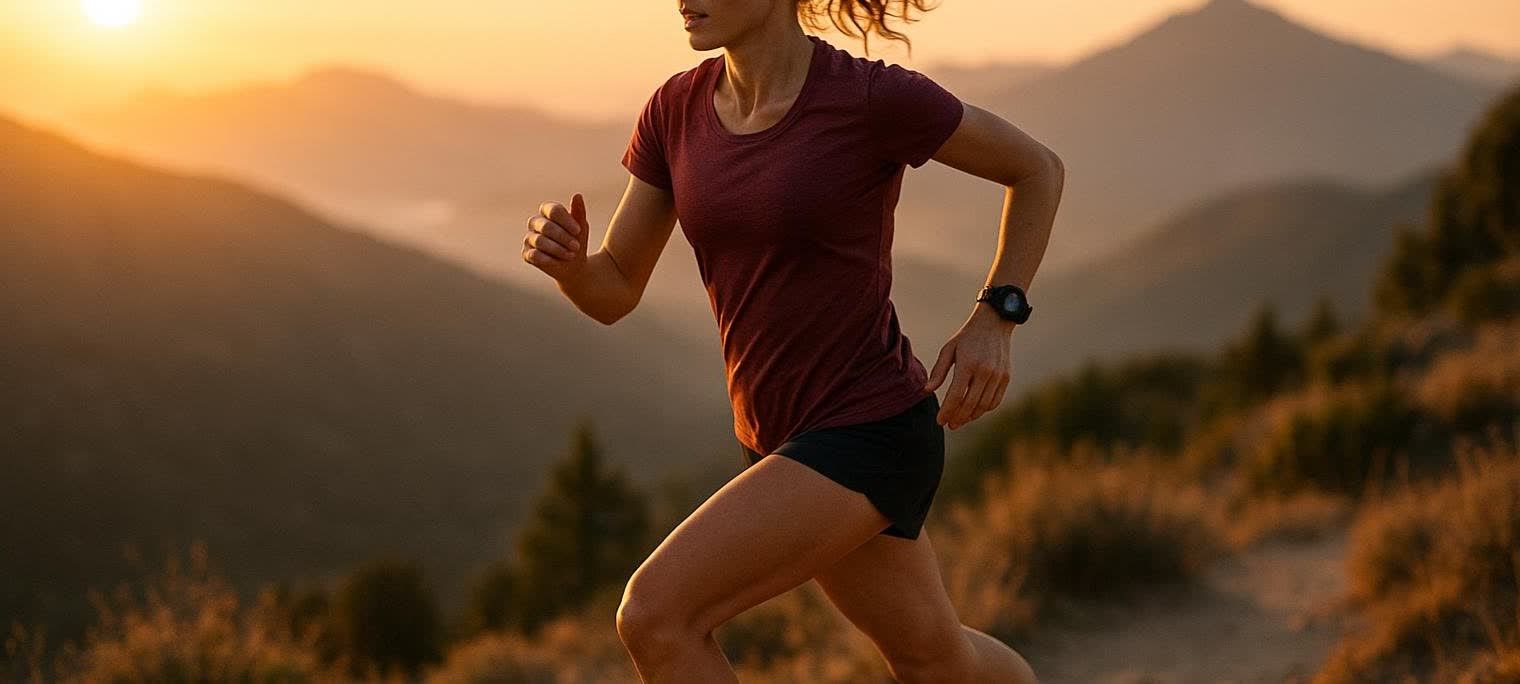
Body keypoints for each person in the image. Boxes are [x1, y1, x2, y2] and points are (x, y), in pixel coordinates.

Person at [522, 0, 1061, 680]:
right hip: (775, 435)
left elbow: (1038, 169)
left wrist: (995, 318)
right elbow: (617, 289)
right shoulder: (673, 111)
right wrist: (572, 269)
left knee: (656, 616)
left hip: (870, 427)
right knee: (934, 657)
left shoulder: (869, 97)